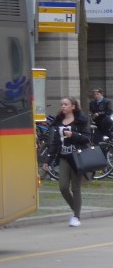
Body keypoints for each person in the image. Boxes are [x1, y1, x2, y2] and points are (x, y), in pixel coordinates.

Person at [43, 96, 91, 227]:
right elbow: (55, 143)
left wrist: (73, 135)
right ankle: (76, 209)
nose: (63, 106)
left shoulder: (80, 120)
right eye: (61, 104)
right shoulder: (59, 121)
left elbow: (87, 138)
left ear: (73, 106)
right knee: (63, 187)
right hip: (64, 157)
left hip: (77, 157)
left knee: (76, 188)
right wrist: (48, 160)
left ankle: (76, 216)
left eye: (66, 104)